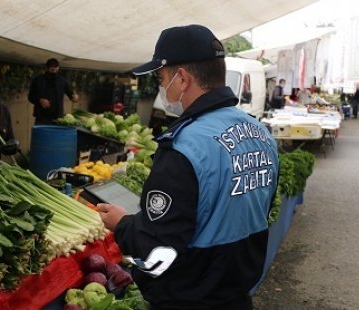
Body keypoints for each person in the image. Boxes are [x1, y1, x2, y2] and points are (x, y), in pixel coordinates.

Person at [96, 25, 279, 309]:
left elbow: (158, 251)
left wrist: (122, 225)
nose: (161, 86)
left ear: (182, 78)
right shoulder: (261, 134)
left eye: (161, 77)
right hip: (236, 297)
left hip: (189, 298)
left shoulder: (185, 147)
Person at [27, 58, 79, 124]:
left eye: (56, 69)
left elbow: (72, 96)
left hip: (57, 117)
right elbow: (30, 97)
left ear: (58, 68)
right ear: (47, 68)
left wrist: (75, 97)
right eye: (52, 70)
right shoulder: (38, 80)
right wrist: (40, 100)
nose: (54, 72)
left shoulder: (62, 81)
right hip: (41, 117)